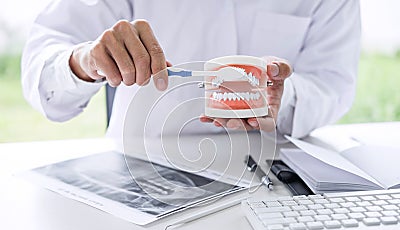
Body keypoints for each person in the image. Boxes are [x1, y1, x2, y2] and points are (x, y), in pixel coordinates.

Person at [22, 0, 361, 141]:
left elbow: (333, 82)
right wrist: (82, 62)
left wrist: (282, 100)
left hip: (273, 178)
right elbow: (44, 76)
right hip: (142, 176)